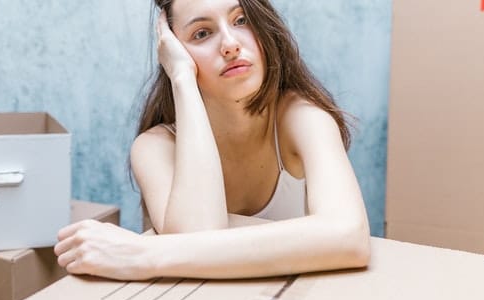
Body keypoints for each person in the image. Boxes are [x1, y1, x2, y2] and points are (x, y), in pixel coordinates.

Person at [54, 0, 370, 280]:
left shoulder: (301, 116)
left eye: (241, 20)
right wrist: (182, 79)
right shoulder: (155, 147)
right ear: (174, 51)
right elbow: (195, 237)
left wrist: (142, 255)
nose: (230, 44)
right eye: (202, 34)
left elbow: (349, 236)